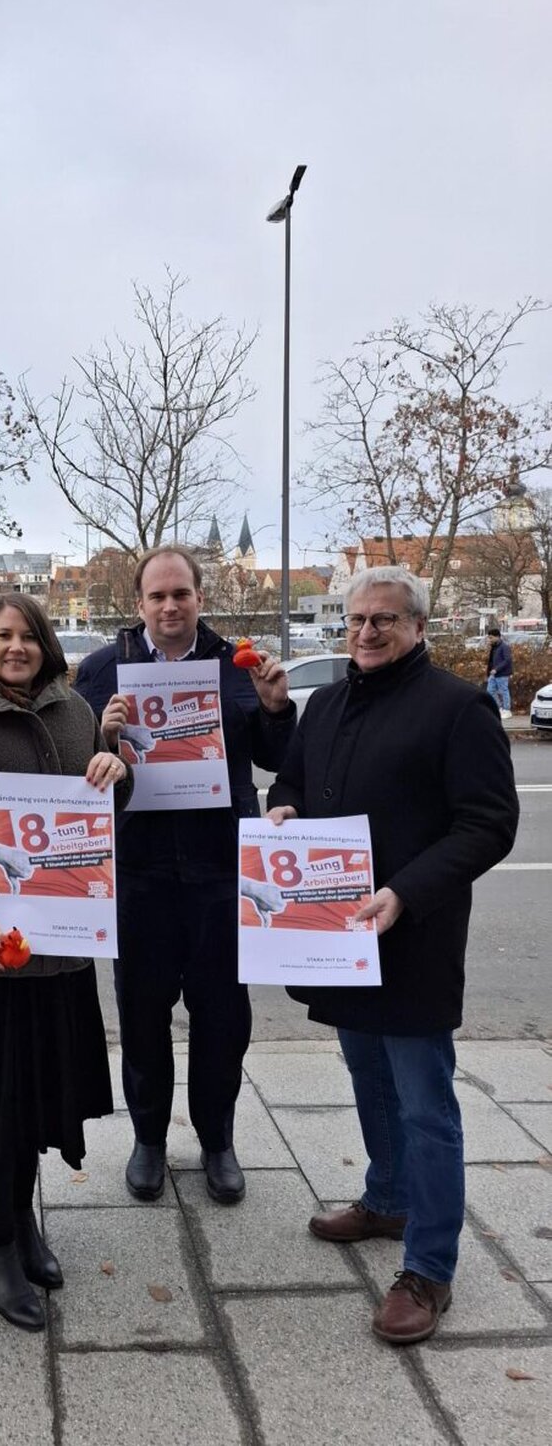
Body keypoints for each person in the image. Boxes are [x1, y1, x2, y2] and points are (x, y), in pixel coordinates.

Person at [268, 567, 518, 1344]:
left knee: (424, 1104)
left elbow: (488, 823)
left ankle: (429, 1268)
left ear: (417, 628)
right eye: (356, 620)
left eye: (384, 620)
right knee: (367, 1076)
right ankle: (386, 1200)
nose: (367, 632)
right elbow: (295, 784)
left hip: (411, 938)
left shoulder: (457, 707)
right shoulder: (329, 703)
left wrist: (405, 893)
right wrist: (283, 808)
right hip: (339, 938)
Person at [0, 594, 132, 1331]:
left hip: (60, 952)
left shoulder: (73, 711)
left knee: (35, 1098)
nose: (16, 647)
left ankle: (25, 1221)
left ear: (44, 645)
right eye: (2, 636)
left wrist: (115, 770)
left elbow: (95, 818)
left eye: (28, 636)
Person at [74, 546, 295, 1206]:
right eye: (157, 596)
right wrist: (103, 737)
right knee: (142, 1016)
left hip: (221, 871)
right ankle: (147, 1139)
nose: (170, 606)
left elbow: (277, 759)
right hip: (138, 871)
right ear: (139, 604)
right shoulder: (102, 669)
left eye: (182, 595)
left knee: (224, 1016)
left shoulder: (237, 666)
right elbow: (73, 767)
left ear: (201, 599)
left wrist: (277, 711)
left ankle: (217, 1139)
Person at [485, 627, 513, 718]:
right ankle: (499, 708)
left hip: (502, 673)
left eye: (491, 637)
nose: (490, 639)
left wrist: (497, 669)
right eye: (489, 637)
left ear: (497, 637)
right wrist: (489, 672)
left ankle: (507, 710)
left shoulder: (504, 647)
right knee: (490, 691)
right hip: (493, 674)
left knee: (504, 691)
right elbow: (491, 661)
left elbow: (507, 660)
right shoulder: (494, 647)